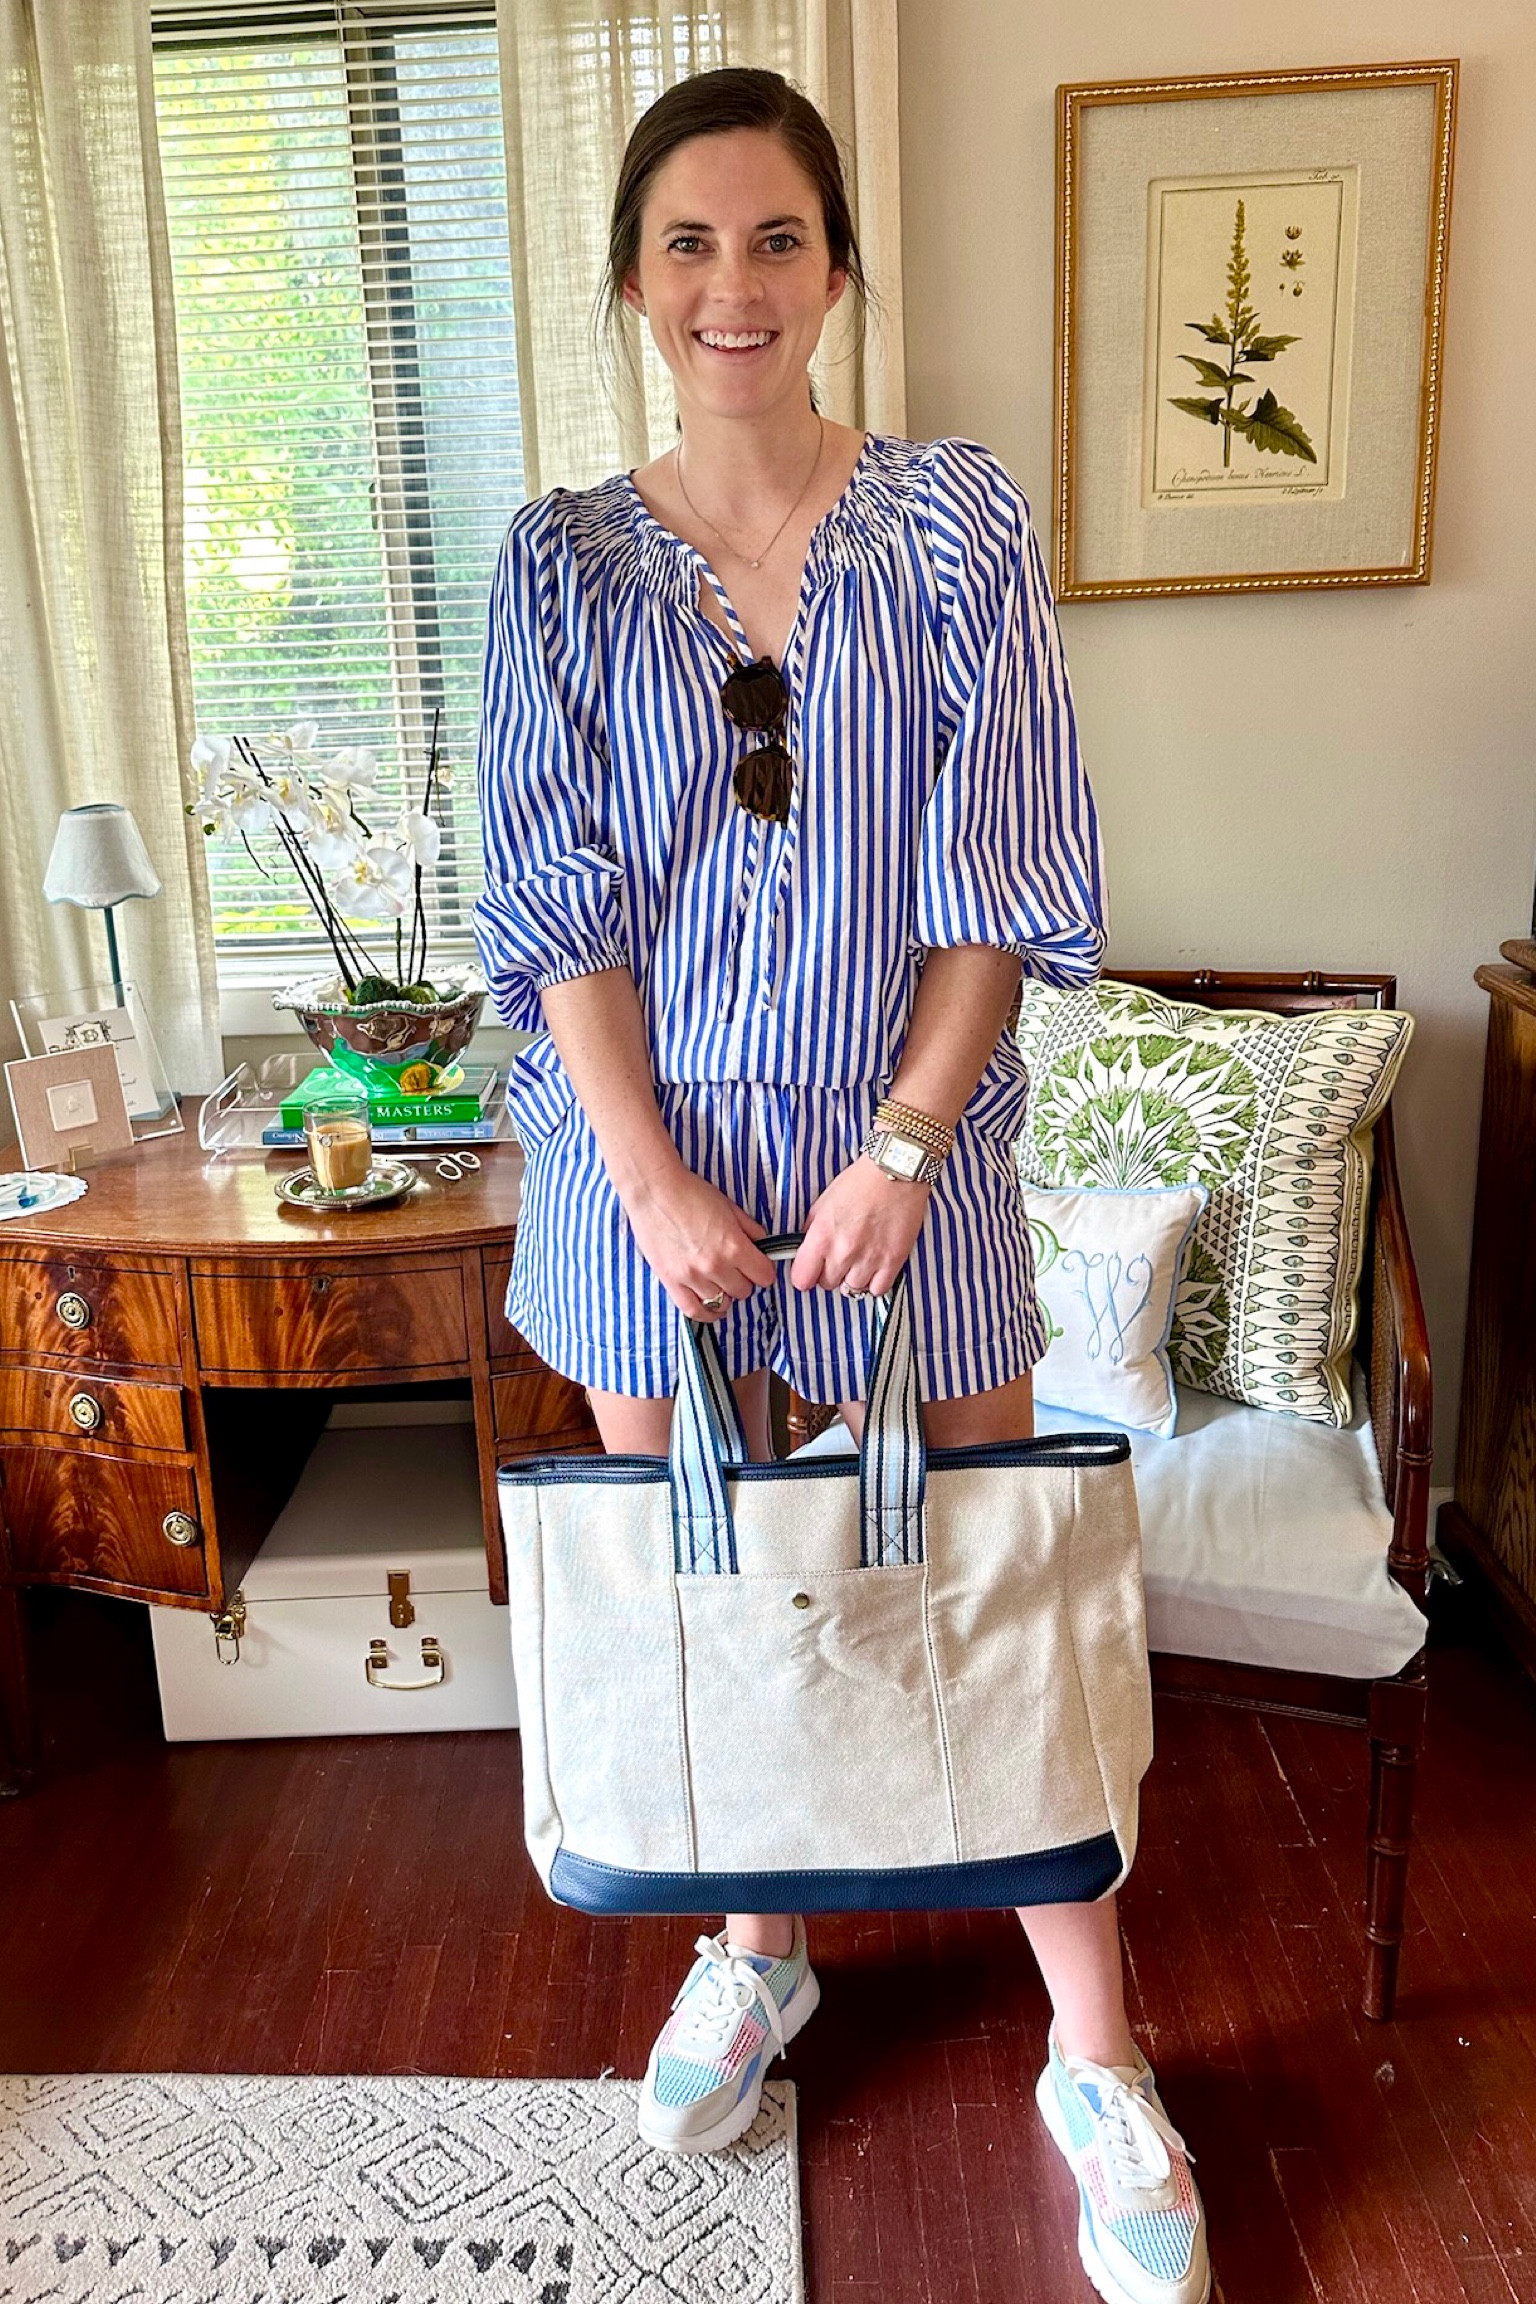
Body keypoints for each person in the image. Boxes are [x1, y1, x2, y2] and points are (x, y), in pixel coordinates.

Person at [474, 66, 1210, 2304]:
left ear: (837, 268)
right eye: (688, 243)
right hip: (643, 1177)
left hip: (917, 1158)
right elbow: (555, 906)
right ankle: (758, 1950)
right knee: (718, 1591)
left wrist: (901, 1138)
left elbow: (1005, 881)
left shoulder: (961, 528)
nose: (733, 284)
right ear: (629, 279)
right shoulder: (557, 567)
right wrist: (650, 1180)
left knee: (989, 1575)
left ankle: (1096, 2046)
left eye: (775, 238)